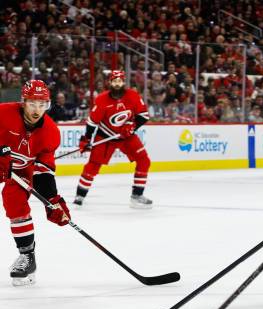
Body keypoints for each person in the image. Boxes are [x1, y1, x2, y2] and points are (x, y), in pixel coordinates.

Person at [0, 80, 71, 286]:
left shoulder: (50, 132)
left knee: (15, 203)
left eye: (42, 105)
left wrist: (53, 201)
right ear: (23, 102)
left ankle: (27, 257)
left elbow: (43, 171)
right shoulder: (4, 113)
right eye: (32, 104)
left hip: (21, 171)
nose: (37, 110)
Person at [74, 70, 153, 208]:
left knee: (144, 160)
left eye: (120, 81)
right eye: (114, 81)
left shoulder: (133, 96)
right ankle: (80, 195)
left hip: (126, 136)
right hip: (105, 136)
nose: (117, 84)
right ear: (110, 82)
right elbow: (92, 123)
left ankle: (137, 196)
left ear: (123, 82)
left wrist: (132, 126)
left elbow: (143, 115)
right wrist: (86, 139)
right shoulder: (101, 99)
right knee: (93, 166)